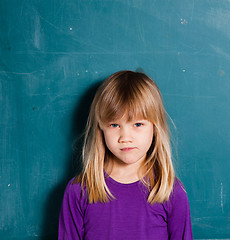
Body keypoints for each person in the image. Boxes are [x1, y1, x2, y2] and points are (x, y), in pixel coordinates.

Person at [58, 70, 193, 239]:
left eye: (137, 124)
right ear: (101, 129)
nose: (125, 138)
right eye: (114, 125)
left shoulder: (171, 192)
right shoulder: (78, 191)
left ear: (155, 128)